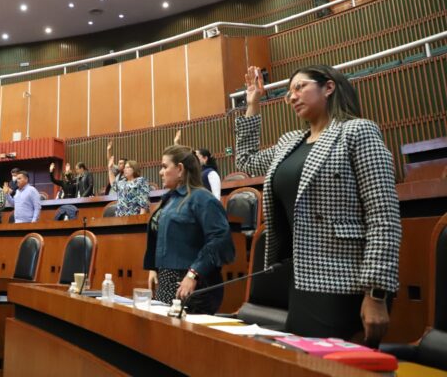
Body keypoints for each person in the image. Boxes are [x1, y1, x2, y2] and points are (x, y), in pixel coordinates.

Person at [235, 65, 402, 346]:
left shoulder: (357, 131)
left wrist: (376, 293)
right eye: (289, 93)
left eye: (299, 87)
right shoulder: (289, 142)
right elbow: (246, 161)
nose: (292, 96)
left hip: (346, 280)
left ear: (328, 87)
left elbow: (383, 216)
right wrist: (253, 104)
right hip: (300, 278)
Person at [144, 145, 235, 313]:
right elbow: (157, 234)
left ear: (180, 169)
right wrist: (153, 268)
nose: (160, 172)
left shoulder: (202, 198)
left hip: (192, 285)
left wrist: (193, 273)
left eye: (164, 167)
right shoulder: (169, 199)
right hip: (166, 280)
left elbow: (219, 239)